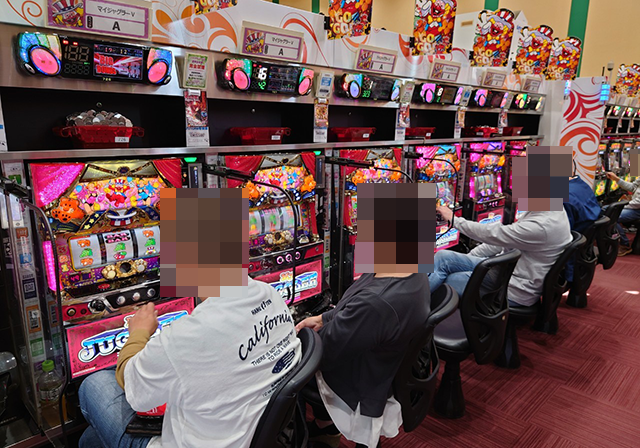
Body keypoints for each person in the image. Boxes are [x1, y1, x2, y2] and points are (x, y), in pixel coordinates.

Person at [78, 188, 302, 448]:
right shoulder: (270, 294)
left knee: (92, 385)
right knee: (91, 439)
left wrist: (138, 333)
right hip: (252, 431)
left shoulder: (187, 337)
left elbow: (134, 390)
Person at [296, 183, 432, 448]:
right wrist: (325, 318)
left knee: (284, 376)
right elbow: (354, 311)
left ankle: (301, 438)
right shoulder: (412, 269)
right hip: (380, 360)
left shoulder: (377, 302)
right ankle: (325, 426)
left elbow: (324, 354)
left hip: (358, 380)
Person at [431, 206, 572, 307]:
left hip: (513, 288)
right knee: (443, 257)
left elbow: (492, 234)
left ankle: (420, 314)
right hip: (507, 271)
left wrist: (454, 220)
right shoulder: (553, 210)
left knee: (446, 283)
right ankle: (419, 299)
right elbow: (502, 240)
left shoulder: (541, 225)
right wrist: (467, 259)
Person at [563, 175, 602, 281]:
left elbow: (559, 237)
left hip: (568, 256)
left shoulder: (564, 198)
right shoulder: (580, 184)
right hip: (582, 250)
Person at [606, 172, 640, 256]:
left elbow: (638, 203)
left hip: (637, 208)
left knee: (612, 215)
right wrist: (616, 179)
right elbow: (633, 187)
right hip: (635, 205)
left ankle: (624, 244)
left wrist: (620, 207)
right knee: (606, 210)